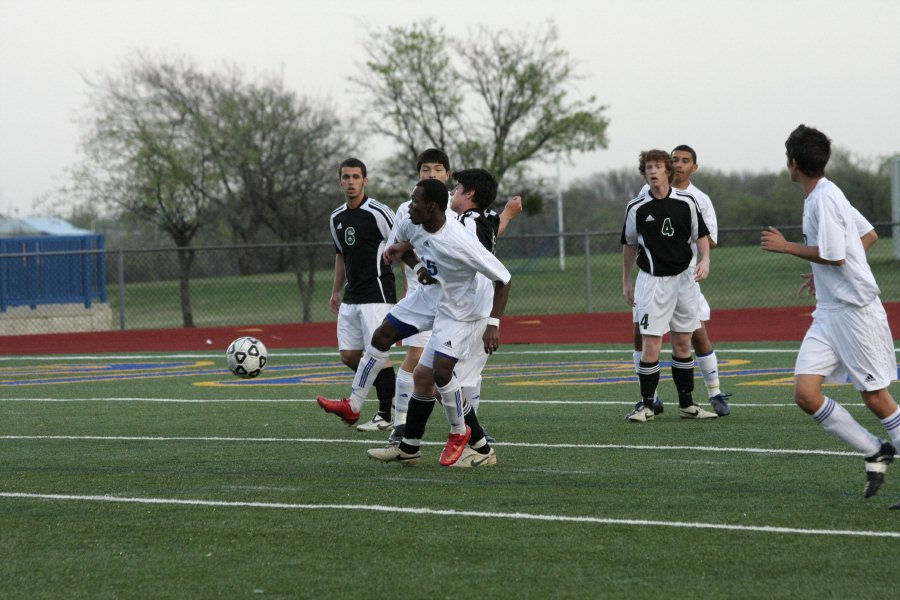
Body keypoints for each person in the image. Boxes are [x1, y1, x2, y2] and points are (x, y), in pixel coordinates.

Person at [318, 177, 512, 467]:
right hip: (431, 294)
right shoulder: (412, 218)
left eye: (416, 201)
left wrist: (493, 324)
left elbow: (504, 278)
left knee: (440, 373)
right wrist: (416, 265)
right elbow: (403, 247)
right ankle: (355, 405)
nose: (410, 206)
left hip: (460, 309)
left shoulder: (459, 240)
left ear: (432, 207)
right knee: (383, 335)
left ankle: (460, 432)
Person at [760, 124, 898, 499]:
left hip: (855, 313)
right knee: (805, 392)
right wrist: (821, 273)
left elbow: (837, 255)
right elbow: (867, 236)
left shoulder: (824, 198)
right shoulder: (825, 193)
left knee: (876, 398)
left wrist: (787, 247)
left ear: (793, 163)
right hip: (829, 312)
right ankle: (875, 449)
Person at [385, 149, 521, 445]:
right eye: (425, 170)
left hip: (466, 312)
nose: (433, 176)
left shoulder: (463, 225)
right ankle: (408, 438)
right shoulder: (474, 218)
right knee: (426, 373)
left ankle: (473, 439)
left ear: (465, 192)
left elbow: (496, 272)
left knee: (443, 378)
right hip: (443, 306)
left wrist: (493, 322)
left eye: (456, 188)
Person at [631, 145, 731, 417]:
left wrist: (700, 255)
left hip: (686, 277)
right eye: (674, 159)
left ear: (693, 167)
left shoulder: (697, 199)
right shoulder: (642, 197)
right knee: (643, 338)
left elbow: (708, 237)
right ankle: (649, 400)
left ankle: (712, 393)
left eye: (685, 161)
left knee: (692, 337)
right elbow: (631, 238)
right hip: (652, 279)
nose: (678, 164)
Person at [327, 157, 397, 430]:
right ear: (340, 181)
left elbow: (402, 245)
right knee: (348, 355)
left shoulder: (379, 212)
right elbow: (341, 256)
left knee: (379, 353)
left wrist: (408, 283)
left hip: (378, 295)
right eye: (346, 177)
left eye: (356, 177)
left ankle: (385, 414)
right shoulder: (336, 218)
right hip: (351, 296)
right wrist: (335, 291)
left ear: (365, 181)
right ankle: (388, 400)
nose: (351, 182)